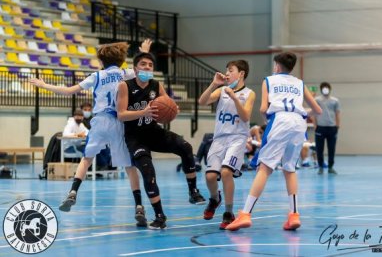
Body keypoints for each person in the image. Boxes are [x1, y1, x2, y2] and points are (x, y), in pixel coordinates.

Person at [29, 41, 149, 227]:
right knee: (129, 166)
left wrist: (44, 85)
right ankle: (139, 206)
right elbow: (145, 74)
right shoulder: (126, 73)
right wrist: (144, 54)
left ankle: (73, 192)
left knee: (86, 159)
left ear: (101, 61)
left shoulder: (97, 75)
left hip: (100, 120)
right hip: (119, 120)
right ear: (121, 59)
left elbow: (69, 91)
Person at [226, 52, 322, 231]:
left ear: (277, 66)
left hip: (280, 120)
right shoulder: (299, 83)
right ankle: (294, 215)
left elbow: (263, 108)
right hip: (298, 123)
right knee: (290, 169)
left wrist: (269, 119)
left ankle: (245, 213)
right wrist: (300, 113)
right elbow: (317, 110)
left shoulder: (269, 80)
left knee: (264, 168)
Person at [117, 51, 206, 230]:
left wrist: (173, 110)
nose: (147, 67)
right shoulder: (125, 86)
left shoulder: (157, 85)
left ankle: (193, 191)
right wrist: (143, 112)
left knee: (185, 147)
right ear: (135, 68)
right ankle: (159, 216)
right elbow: (121, 115)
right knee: (148, 173)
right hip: (135, 137)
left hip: (154, 132)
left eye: (150, 65)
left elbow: (166, 106)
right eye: (143, 64)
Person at [198, 60, 255, 229]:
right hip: (219, 138)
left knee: (226, 172)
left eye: (231, 70)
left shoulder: (249, 93)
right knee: (209, 176)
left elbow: (245, 117)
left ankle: (229, 212)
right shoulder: (222, 90)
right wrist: (214, 84)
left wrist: (235, 98)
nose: (227, 73)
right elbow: (202, 101)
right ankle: (215, 199)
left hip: (237, 138)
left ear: (242, 74)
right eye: (226, 70)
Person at [314, 82, 341, 175]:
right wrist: (315, 125)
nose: (325, 89)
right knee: (319, 149)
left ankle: (330, 167)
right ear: (321, 89)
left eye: (327, 87)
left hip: (332, 128)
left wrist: (337, 125)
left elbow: (337, 113)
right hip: (320, 127)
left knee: (331, 148)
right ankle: (320, 166)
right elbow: (314, 112)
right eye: (323, 88)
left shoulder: (335, 101)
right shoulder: (317, 100)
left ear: (329, 89)